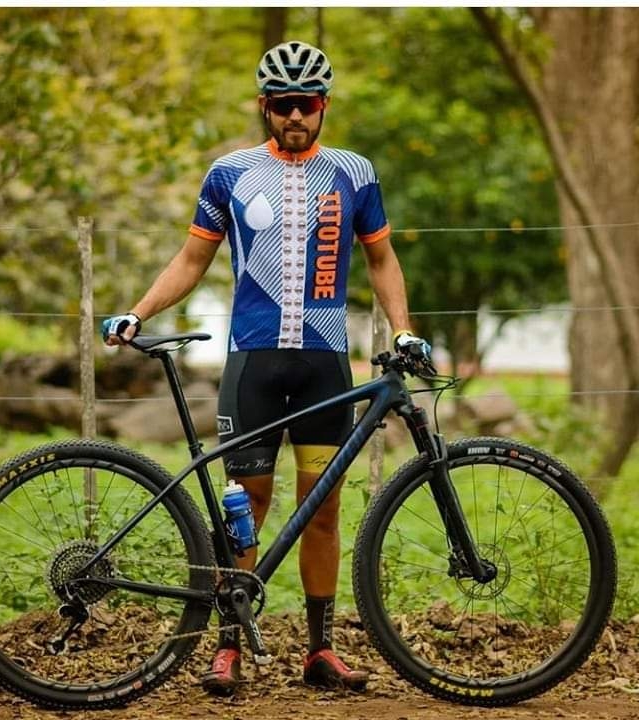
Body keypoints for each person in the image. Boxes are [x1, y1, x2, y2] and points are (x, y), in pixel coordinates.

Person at [103, 40, 430, 696]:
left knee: (322, 509)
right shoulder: (229, 173)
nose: (295, 116)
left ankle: (320, 651)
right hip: (252, 363)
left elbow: (382, 259)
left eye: (306, 104)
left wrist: (403, 329)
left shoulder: (355, 173)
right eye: (282, 105)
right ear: (264, 106)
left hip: (323, 363)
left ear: (324, 105)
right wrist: (137, 311)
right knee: (243, 505)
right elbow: (191, 260)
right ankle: (228, 647)